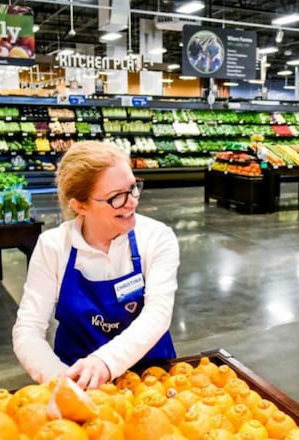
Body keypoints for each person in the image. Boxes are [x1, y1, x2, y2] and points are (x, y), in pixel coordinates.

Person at [13, 141, 179, 390]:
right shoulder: (54, 246)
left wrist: (104, 362)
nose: (132, 202)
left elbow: (157, 314)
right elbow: (28, 329)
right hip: (78, 380)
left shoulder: (156, 238)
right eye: (116, 197)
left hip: (151, 377)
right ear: (80, 205)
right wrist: (60, 379)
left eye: (133, 188)